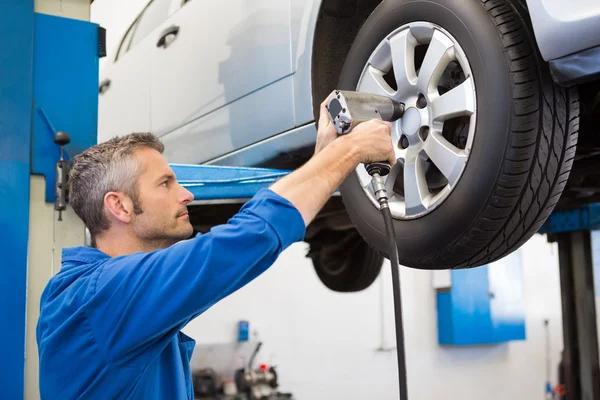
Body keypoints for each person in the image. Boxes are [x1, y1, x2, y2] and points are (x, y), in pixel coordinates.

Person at [36, 99, 395, 399]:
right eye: (166, 183)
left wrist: (323, 159)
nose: (187, 194)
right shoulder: (97, 299)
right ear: (120, 207)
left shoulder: (118, 301)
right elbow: (238, 243)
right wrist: (350, 149)